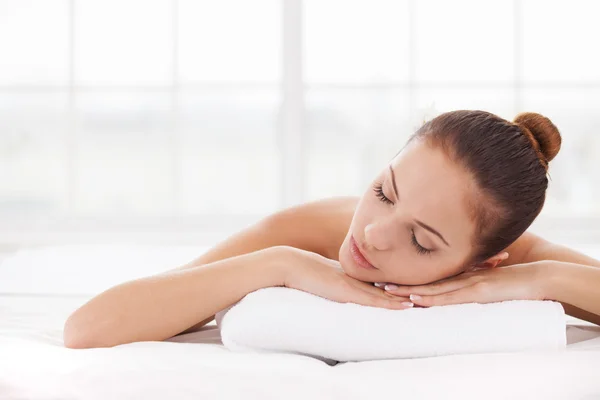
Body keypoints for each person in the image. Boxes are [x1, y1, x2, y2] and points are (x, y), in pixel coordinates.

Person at [63, 109, 600, 349]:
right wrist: (282, 264)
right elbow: (88, 329)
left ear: (484, 261)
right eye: (384, 191)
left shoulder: (515, 257)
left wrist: (541, 279)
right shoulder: (308, 230)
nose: (373, 234)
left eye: (420, 240)